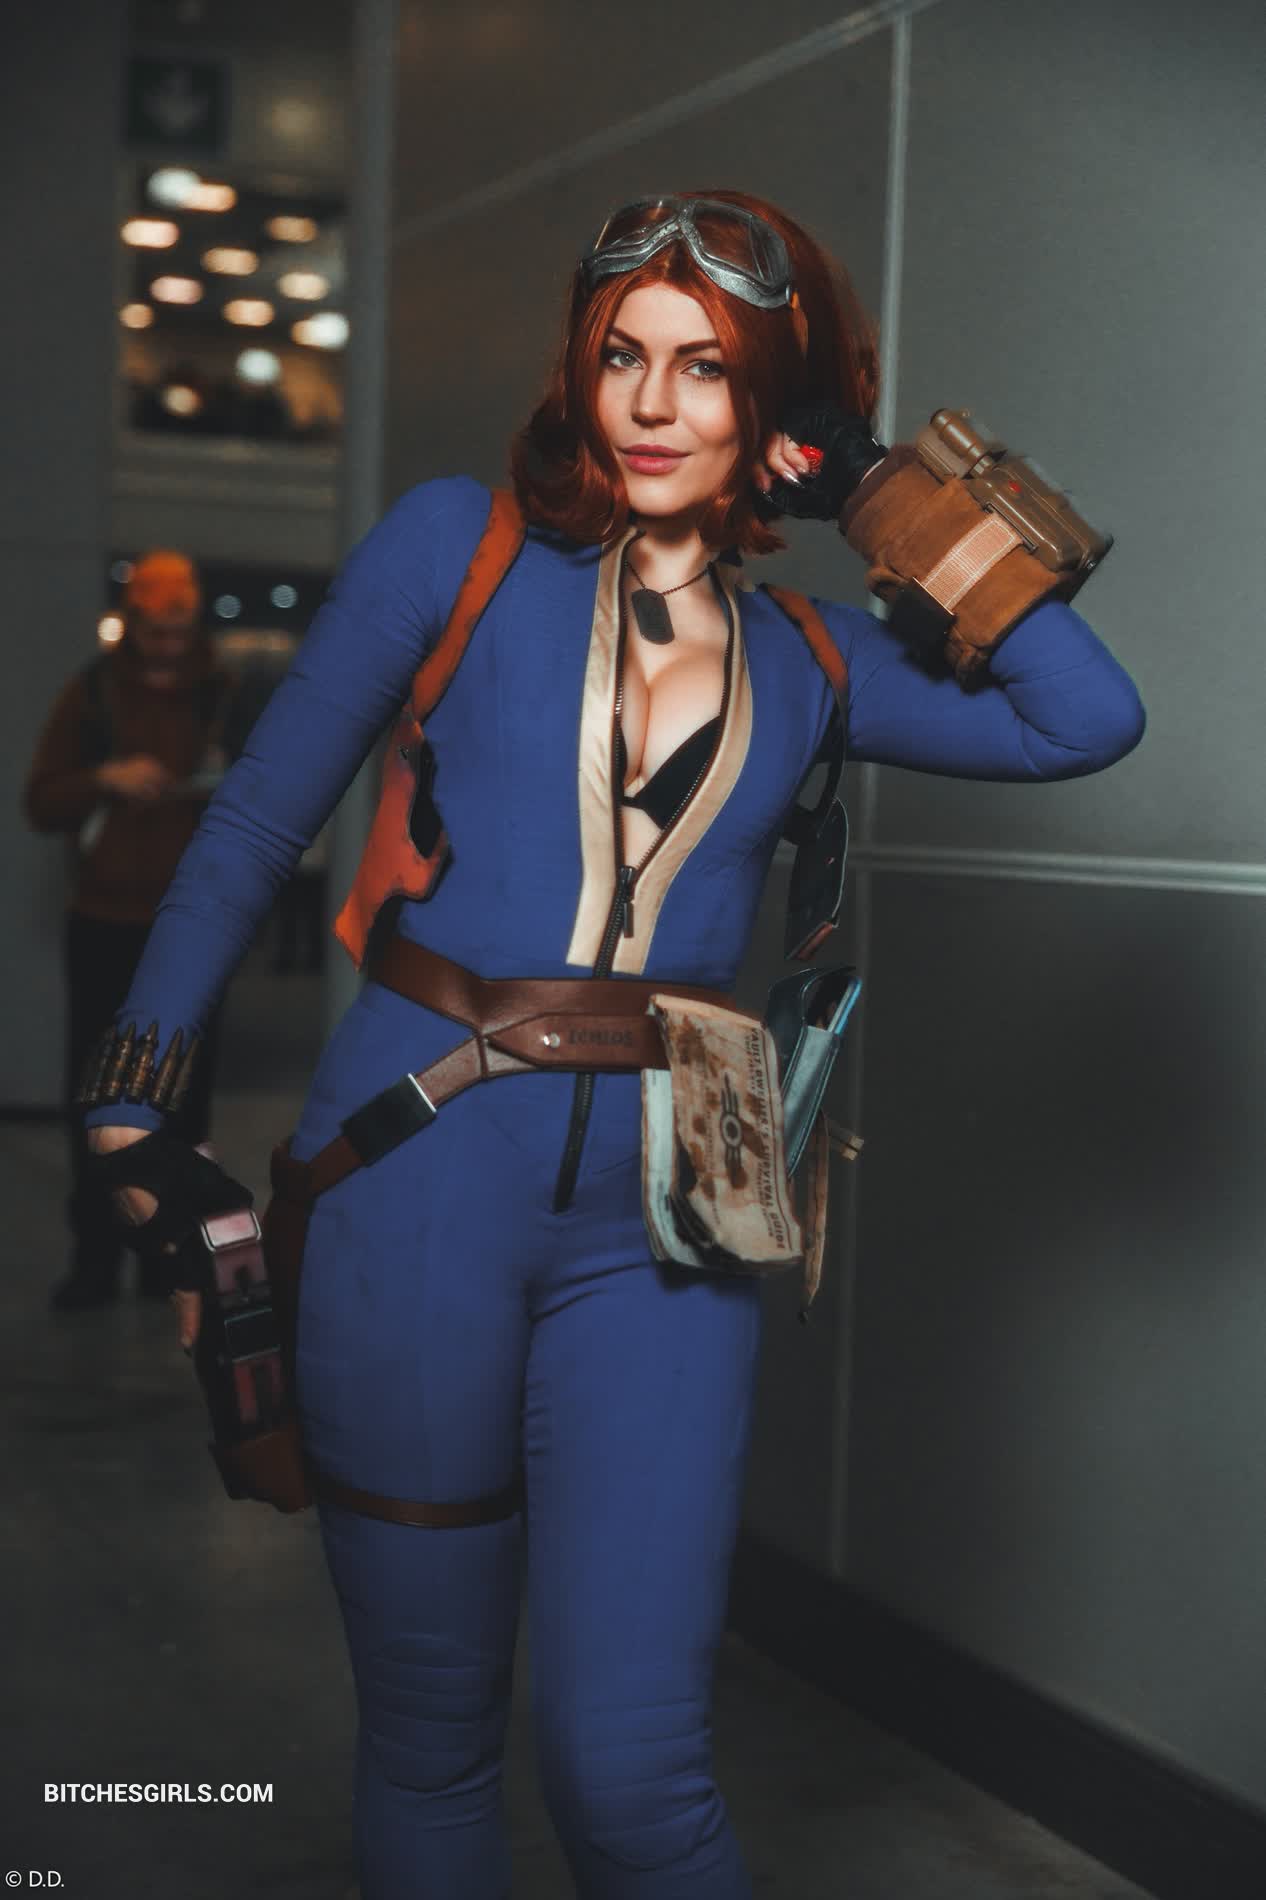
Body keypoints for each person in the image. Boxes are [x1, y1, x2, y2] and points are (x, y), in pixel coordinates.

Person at [79, 193, 1144, 1897]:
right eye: (620, 357)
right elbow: (260, 819)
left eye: (706, 368)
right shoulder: (459, 546)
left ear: (775, 399)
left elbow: (1085, 717)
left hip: (674, 1219)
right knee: (432, 1743)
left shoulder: (814, 653)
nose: (650, 404)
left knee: (634, 1771)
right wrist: (135, 1099)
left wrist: (878, 486)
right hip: (413, 1179)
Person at [24, 551, 245, 1310]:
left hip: (193, 932)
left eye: (181, 632)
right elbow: (41, 798)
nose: (169, 648)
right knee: (95, 1100)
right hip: (103, 923)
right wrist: (104, 778)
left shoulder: (225, 695)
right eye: (156, 632)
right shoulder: (93, 693)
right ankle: (95, 1258)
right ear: (135, 622)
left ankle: (169, 1259)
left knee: (183, 1104)